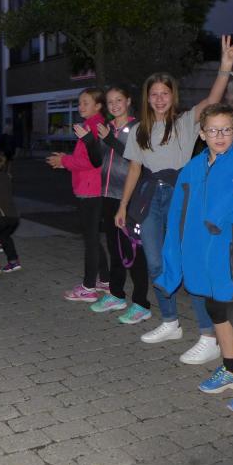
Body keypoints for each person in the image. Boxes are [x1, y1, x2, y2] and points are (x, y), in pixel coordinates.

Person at [114, 35, 233, 365]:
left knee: (191, 263)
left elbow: (213, 98)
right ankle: (170, 322)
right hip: (149, 199)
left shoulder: (186, 122)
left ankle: (208, 336)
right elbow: (134, 170)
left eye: (164, 93)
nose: (159, 99)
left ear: (173, 96)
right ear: (147, 97)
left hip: (182, 197)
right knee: (156, 262)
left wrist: (224, 67)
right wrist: (123, 206)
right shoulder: (139, 130)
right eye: (154, 94)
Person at [157, 104, 233, 415]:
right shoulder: (191, 169)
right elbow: (177, 216)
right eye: (213, 130)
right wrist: (174, 258)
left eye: (226, 129)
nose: (220, 135)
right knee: (215, 307)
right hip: (203, 257)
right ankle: (232, 369)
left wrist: (230, 208)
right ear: (202, 134)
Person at [90, 86, 151, 324]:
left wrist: (110, 139)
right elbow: (99, 160)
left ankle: (141, 304)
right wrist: (90, 141)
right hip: (107, 195)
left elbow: (136, 159)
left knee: (132, 250)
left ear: (128, 101)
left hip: (129, 197)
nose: (114, 105)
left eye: (119, 100)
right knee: (114, 249)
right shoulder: (107, 127)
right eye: (110, 102)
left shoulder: (138, 128)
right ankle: (116, 295)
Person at [46, 88, 110, 302]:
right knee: (92, 237)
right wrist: (66, 159)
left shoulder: (93, 126)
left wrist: (64, 161)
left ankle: (88, 287)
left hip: (90, 189)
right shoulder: (91, 124)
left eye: (85, 103)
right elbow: (85, 158)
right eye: (80, 102)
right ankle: (105, 280)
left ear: (98, 106)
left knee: (90, 239)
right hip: (89, 187)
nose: (80, 106)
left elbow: (93, 161)